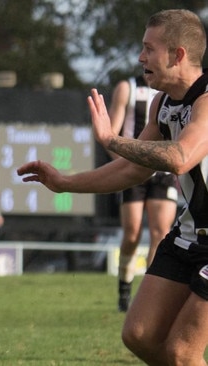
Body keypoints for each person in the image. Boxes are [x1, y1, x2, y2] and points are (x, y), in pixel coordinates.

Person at [17, 9, 208, 364]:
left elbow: (181, 157)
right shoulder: (162, 104)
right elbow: (133, 170)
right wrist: (64, 183)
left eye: (150, 48)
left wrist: (111, 138)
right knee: (140, 335)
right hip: (189, 236)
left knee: (182, 353)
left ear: (178, 54)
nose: (140, 58)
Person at [108, 75, 178, 312]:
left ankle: (148, 296)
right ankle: (124, 288)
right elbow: (112, 136)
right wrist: (125, 167)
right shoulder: (127, 88)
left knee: (160, 232)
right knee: (132, 233)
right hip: (133, 170)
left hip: (164, 171)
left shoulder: (174, 92)